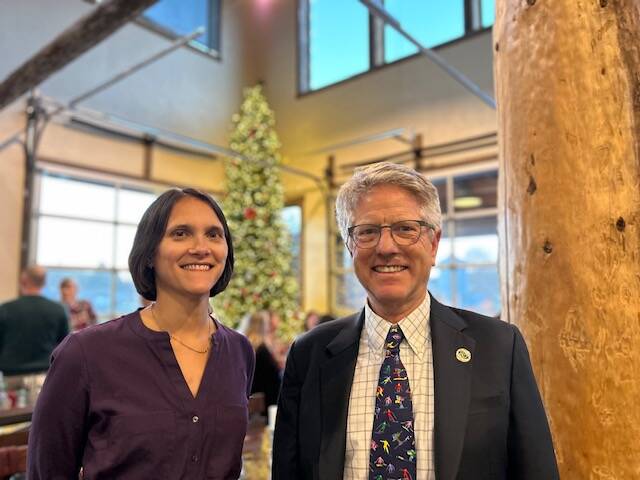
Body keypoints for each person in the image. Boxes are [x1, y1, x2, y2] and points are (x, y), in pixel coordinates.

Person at [272, 162, 559, 480]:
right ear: (350, 246)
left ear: (434, 244)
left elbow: (536, 469)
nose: (386, 247)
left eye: (405, 229)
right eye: (367, 232)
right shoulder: (310, 353)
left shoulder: (499, 347)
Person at [28, 188, 255, 479]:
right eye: (181, 233)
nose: (201, 247)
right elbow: (47, 470)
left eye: (214, 234)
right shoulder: (87, 353)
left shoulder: (239, 351)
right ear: (149, 254)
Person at [0, 266, 68, 376]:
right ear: (44, 282)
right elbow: (64, 346)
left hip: (11, 375)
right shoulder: (57, 310)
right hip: (45, 375)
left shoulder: (5, 309)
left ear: (23, 281)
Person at [241, 311, 282, 419]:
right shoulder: (262, 349)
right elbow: (271, 375)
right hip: (264, 402)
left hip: (251, 399)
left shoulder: (245, 345)